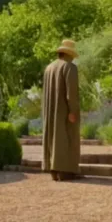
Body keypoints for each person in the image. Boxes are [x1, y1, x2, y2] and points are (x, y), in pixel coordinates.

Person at [41, 39, 81, 181]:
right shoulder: (70, 67)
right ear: (69, 54)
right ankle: (66, 171)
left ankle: (54, 170)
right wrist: (73, 111)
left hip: (50, 111)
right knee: (67, 138)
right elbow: (72, 93)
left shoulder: (49, 68)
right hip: (64, 110)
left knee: (53, 137)